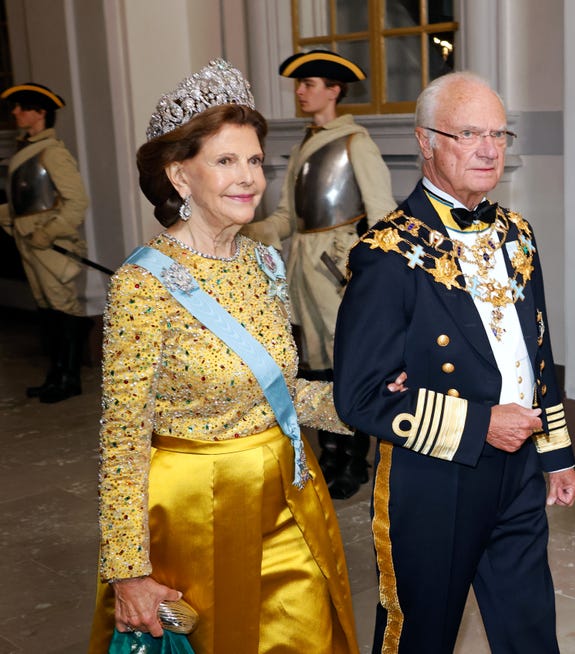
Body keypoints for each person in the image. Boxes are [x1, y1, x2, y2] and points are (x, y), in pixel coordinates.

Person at [86, 59, 390, 653]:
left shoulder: (263, 264)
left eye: (254, 160)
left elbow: (287, 392)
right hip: (195, 510)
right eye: (225, 161)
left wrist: (375, 404)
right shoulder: (142, 284)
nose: (249, 177)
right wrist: (128, 571)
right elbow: (122, 437)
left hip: (288, 495)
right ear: (179, 176)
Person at [333, 71, 575, 654]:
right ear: (426, 141)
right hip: (434, 475)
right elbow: (360, 396)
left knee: (530, 632)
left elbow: (536, 356)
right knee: (421, 635)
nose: (489, 149)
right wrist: (480, 424)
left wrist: (557, 455)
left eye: (499, 133)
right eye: (469, 132)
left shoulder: (517, 235)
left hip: (518, 472)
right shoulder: (388, 253)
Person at [243, 49, 396, 499]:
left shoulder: (356, 143)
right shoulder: (303, 146)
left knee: (345, 364)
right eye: (299, 84)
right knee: (313, 369)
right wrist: (246, 228)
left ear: (334, 90)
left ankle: (353, 461)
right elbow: (288, 218)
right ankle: (327, 455)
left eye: (309, 84)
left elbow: (384, 215)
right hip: (301, 269)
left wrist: (354, 262)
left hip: (336, 270)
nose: (300, 91)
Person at [0, 82, 90, 403]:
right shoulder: (29, 149)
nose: (15, 113)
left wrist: (49, 232)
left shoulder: (51, 152)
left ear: (40, 113)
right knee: (47, 309)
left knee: (62, 307)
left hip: (48, 244)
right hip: (29, 240)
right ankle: (56, 374)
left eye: (22, 107)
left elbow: (77, 201)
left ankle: (69, 378)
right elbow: (27, 199)